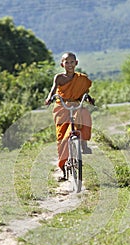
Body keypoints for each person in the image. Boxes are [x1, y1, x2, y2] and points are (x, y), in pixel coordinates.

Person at [45, 52, 95, 181]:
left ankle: (83, 144)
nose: (70, 65)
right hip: (62, 107)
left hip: (76, 105)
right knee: (62, 138)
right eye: (67, 62)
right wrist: (49, 98)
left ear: (76, 63)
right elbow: (53, 89)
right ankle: (63, 171)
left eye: (72, 62)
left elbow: (85, 91)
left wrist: (89, 98)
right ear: (62, 64)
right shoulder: (59, 77)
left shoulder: (82, 79)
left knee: (85, 115)